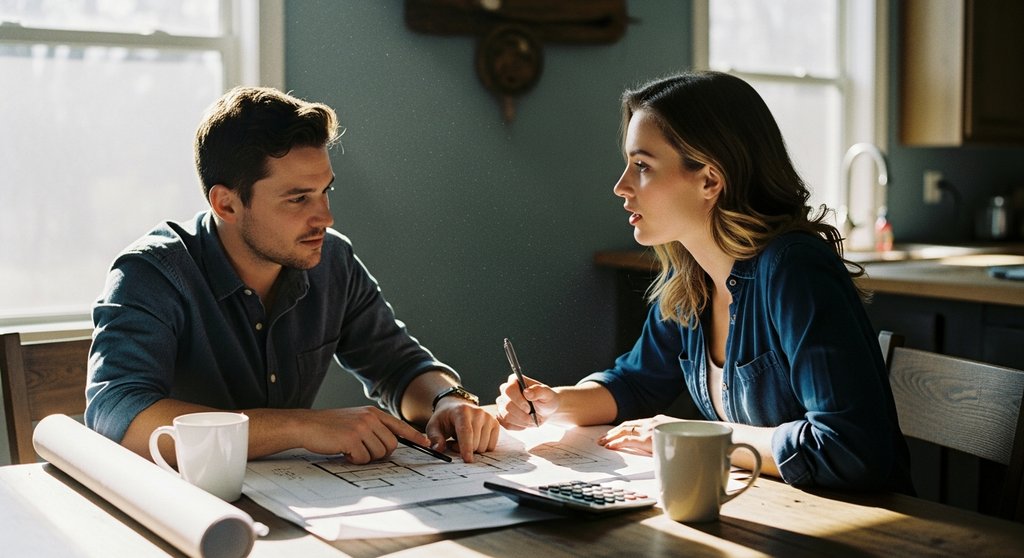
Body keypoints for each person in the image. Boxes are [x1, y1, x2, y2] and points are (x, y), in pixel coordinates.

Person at [496, 71, 913, 492]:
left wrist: (692, 438)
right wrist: (553, 403)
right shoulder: (691, 277)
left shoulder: (794, 270)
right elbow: (636, 383)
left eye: (642, 166)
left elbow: (849, 449)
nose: (621, 186)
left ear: (710, 180)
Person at [86, 86, 498, 465]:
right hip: (181, 511)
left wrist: (446, 400)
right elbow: (119, 415)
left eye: (325, 192)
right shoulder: (151, 272)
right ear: (226, 205)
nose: (325, 218)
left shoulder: (331, 259)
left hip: (297, 503)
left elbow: (399, 367)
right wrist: (301, 425)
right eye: (298, 198)